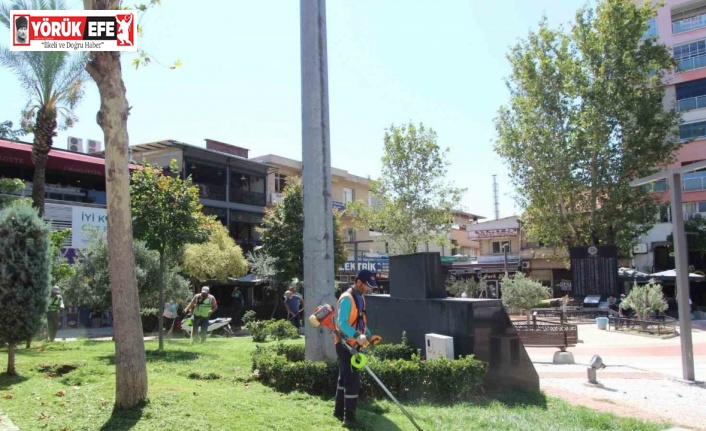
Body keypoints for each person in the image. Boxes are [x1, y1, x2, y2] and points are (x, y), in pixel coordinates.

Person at [333, 269, 377, 428]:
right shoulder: (347, 298)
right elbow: (342, 323)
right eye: (367, 285)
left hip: (354, 343)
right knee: (352, 380)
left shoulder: (361, 298)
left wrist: (369, 334)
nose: (369, 289)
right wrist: (357, 336)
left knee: (344, 378)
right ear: (358, 282)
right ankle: (348, 418)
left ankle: (338, 411)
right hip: (345, 344)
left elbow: (361, 321)